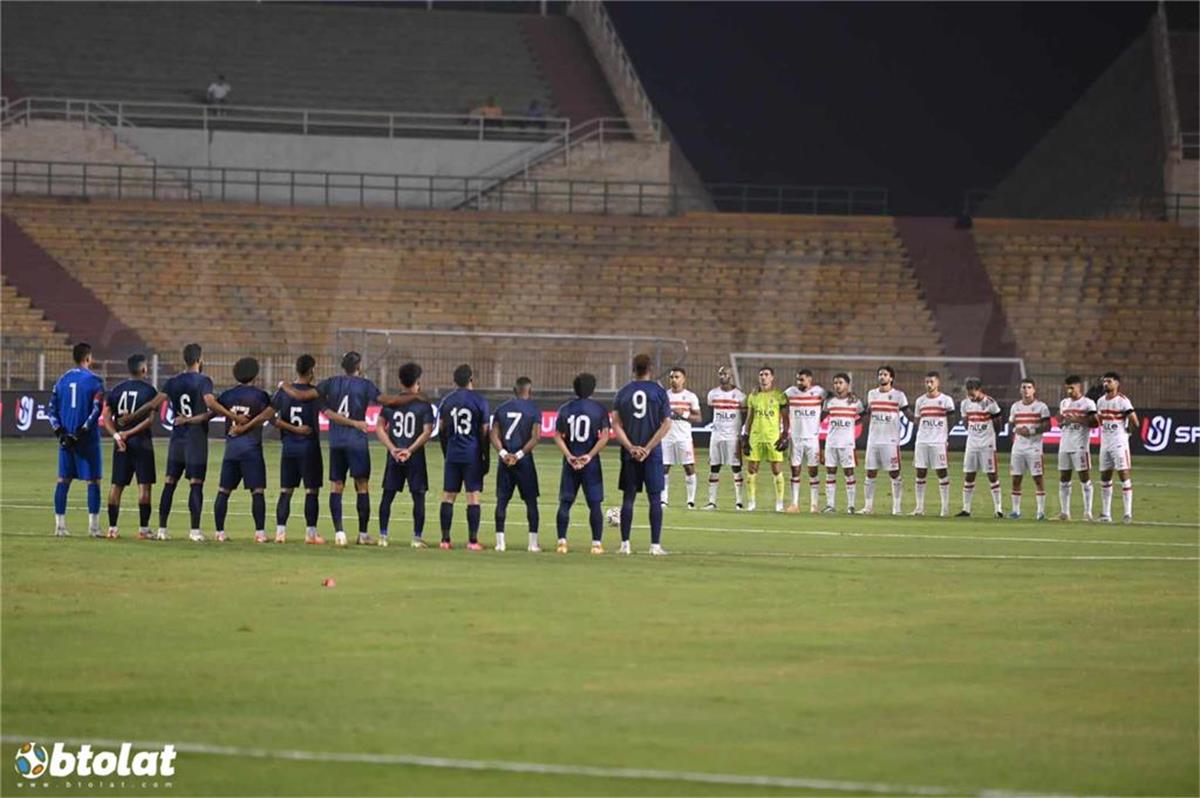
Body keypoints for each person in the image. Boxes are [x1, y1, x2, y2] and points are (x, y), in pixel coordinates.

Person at [279, 351, 408, 546]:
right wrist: (410, 398)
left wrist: (284, 385)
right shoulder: (365, 385)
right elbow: (386, 401)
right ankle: (363, 534)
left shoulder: (331, 382)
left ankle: (339, 533)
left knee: (336, 486)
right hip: (356, 442)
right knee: (362, 486)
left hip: (336, 441)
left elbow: (302, 395)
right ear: (359, 366)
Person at [126, 343, 246, 542]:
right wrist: (233, 415)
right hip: (196, 440)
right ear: (199, 359)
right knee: (195, 484)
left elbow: (154, 404)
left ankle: (162, 530)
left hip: (177, 439)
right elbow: (210, 403)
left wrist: (133, 416)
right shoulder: (203, 381)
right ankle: (194, 531)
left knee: (169, 483)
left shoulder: (173, 382)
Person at [612, 354, 673, 555]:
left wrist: (631, 448)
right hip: (652, 453)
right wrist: (648, 448)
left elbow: (616, 425)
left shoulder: (622, 393)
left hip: (630, 454)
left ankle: (625, 545)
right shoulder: (659, 392)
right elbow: (666, 423)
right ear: (650, 369)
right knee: (655, 499)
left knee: (628, 499)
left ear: (633, 369)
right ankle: (655, 546)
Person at [213, 358, 274, 543]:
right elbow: (270, 414)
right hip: (251, 449)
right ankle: (260, 533)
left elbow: (211, 410)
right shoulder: (260, 396)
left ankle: (219, 532)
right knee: (257, 491)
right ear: (255, 374)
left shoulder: (227, 395)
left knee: (223, 490)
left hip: (231, 448)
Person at [376, 362, 435, 548]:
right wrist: (409, 450)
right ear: (417, 381)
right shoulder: (423, 405)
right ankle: (416, 538)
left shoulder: (391, 403)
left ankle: (382, 536)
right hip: (414, 456)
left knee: (387, 496)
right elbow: (427, 432)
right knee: (418, 496)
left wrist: (393, 448)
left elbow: (379, 427)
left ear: (400, 381)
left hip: (394, 456)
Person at [49, 342, 105, 538]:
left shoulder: (61, 381)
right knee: (93, 481)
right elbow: (96, 410)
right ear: (88, 358)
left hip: (66, 441)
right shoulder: (95, 381)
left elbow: (51, 410)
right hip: (86, 440)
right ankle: (94, 528)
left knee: (63, 480)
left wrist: (61, 434)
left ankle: (60, 526)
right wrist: (80, 432)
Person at [100, 354, 159, 539]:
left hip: (121, 444)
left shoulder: (116, 390)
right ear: (144, 369)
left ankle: (112, 529)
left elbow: (106, 416)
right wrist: (130, 433)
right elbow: (150, 420)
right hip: (142, 443)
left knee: (116, 485)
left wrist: (117, 434)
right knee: (144, 487)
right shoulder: (150, 391)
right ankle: (143, 530)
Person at [552, 373, 610, 554]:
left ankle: (562, 542)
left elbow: (557, 436)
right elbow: (605, 436)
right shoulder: (599, 409)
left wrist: (569, 456)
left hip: (570, 462)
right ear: (593, 388)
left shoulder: (565, 408)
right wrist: (589, 455)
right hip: (590, 464)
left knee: (565, 503)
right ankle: (596, 544)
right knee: (594, 504)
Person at [437, 364, 491, 550]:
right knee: (473, 497)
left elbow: (441, 430)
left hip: (453, 453)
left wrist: (447, 451)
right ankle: (473, 541)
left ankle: (445, 540)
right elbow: (485, 432)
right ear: (471, 379)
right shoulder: (480, 401)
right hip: (472, 454)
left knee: (448, 496)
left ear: (454, 381)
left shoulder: (447, 401)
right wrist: (486, 458)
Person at [271, 354, 324, 544]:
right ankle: (310, 534)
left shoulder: (283, 393)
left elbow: (272, 419)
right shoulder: (315, 393)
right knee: (311, 491)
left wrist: (291, 429)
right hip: (309, 448)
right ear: (311, 371)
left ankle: (280, 532)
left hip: (289, 448)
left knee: (286, 490)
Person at [489, 376, 541, 552]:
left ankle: (500, 543)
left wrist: (504, 453)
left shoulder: (501, 409)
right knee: (531, 502)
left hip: (505, 462)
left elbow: (493, 434)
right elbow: (535, 437)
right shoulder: (533, 410)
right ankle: (532, 544)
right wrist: (518, 455)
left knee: (502, 501)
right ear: (530, 390)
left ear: (514, 389)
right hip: (524, 461)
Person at [862, 365, 910, 515]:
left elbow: (908, 414)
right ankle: (868, 507)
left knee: (894, 473)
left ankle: (896, 508)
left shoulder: (899, 396)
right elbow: (868, 413)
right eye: (880, 374)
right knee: (870, 473)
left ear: (891, 378)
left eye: (885, 374)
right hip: (874, 440)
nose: (882, 377)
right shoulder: (872, 394)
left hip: (890, 441)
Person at [741, 366, 789, 512]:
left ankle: (779, 503)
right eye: (761, 374)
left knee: (776, 470)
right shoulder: (753, 395)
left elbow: (785, 417)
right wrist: (746, 435)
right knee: (752, 469)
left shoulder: (779, 395)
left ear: (772, 377)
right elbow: (749, 417)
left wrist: (785, 434)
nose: (763, 377)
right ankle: (751, 503)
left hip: (773, 437)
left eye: (766, 374)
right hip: (755, 437)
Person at [956, 377, 1004, 518]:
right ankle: (966, 509)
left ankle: (998, 509)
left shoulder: (990, 403)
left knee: (992, 475)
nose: (970, 395)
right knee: (969, 475)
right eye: (968, 392)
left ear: (979, 390)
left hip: (987, 444)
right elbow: (965, 422)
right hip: (972, 444)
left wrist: (991, 436)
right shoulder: (965, 404)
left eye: (972, 392)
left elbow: (998, 423)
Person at [911, 371, 956, 517]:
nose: (929, 385)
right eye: (927, 382)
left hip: (939, 442)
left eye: (932, 382)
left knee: (941, 472)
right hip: (922, 441)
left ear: (938, 383)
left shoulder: (946, 400)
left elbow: (952, 419)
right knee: (920, 472)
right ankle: (919, 507)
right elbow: (917, 420)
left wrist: (944, 435)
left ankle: (944, 508)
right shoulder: (920, 401)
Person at [1096, 372, 1138, 523]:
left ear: (1117, 383)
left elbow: (1134, 420)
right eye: (1104, 381)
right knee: (1105, 477)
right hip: (1105, 442)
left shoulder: (1123, 401)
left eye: (1109, 381)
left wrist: (1127, 434)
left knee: (1123, 475)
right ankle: (1106, 514)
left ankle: (1127, 513)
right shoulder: (1100, 401)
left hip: (1119, 442)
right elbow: (1099, 420)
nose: (1105, 384)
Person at [1008, 378, 1052, 520]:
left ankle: (1040, 512)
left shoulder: (1041, 407)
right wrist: (1015, 430)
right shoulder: (1015, 406)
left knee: (1038, 479)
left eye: (1029, 387)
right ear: (1020, 390)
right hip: (1018, 448)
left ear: (1034, 389)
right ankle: (1015, 511)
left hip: (1034, 448)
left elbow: (1048, 426)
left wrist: (1031, 431)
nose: (1026, 390)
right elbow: (1010, 425)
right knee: (1016, 479)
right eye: (1023, 387)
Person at [704, 366, 746, 510]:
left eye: (725, 374)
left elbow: (745, 415)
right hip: (717, 435)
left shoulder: (740, 396)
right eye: (720, 374)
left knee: (736, 467)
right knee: (714, 466)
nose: (722, 376)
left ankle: (739, 502)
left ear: (731, 376)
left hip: (733, 436)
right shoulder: (713, 394)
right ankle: (712, 501)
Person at [784, 368, 826, 513]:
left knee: (813, 471)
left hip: (812, 438)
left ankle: (814, 505)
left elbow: (834, 397)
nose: (799, 382)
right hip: (795, 438)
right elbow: (780, 401)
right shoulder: (791, 392)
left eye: (801, 379)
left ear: (810, 379)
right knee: (795, 470)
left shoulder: (819, 392)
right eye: (797, 379)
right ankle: (794, 504)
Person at [1057, 375, 1098, 521]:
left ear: (1079, 387)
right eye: (1067, 387)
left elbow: (1095, 423)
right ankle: (1065, 513)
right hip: (1064, 444)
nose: (1069, 390)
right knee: (1064, 479)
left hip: (1080, 446)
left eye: (1072, 387)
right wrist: (1061, 422)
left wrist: (1077, 419)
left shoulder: (1088, 403)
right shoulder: (1064, 403)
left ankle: (1088, 512)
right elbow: (1059, 420)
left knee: (1084, 478)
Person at [820, 373, 862, 513]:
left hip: (847, 444)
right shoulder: (829, 402)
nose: (838, 385)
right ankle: (830, 505)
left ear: (847, 384)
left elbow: (863, 415)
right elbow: (821, 418)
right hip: (831, 443)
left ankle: (851, 506)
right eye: (835, 383)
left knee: (849, 473)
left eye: (840, 382)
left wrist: (852, 424)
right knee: (830, 472)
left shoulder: (855, 402)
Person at [662, 367, 701, 508]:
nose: (674, 380)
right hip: (666, 437)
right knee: (664, 468)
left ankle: (690, 501)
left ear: (683, 379)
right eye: (672, 377)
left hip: (684, 438)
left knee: (689, 467)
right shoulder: (664, 396)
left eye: (677, 377)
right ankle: (663, 500)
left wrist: (683, 414)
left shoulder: (690, 396)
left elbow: (698, 418)